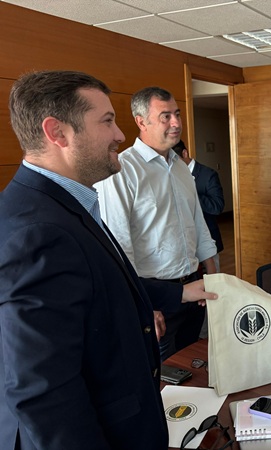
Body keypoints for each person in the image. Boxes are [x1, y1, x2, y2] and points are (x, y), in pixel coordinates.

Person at [0, 70, 217, 450]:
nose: (119, 134)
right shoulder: (36, 233)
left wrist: (181, 293)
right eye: (107, 121)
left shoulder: (66, 203)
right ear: (58, 133)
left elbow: (103, 284)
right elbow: (45, 393)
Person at [96, 86, 218, 361]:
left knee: (192, 366)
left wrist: (213, 279)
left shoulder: (181, 168)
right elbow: (119, 246)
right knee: (163, 375)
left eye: (177, 114)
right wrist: (144, 303)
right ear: (141, 122)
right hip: (155, 296)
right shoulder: (122, 171)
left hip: (193, 289)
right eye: (166, 116)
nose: (176, 123)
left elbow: (199, 226)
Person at [172, 139, 225, 270]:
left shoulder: (209, 175)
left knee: (212, 279)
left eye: (175, 159)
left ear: (185, 153)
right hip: (182, 244)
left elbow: (217, 207)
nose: (172, 164)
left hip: (207, 240)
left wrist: (190, 193)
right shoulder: (170, 174)